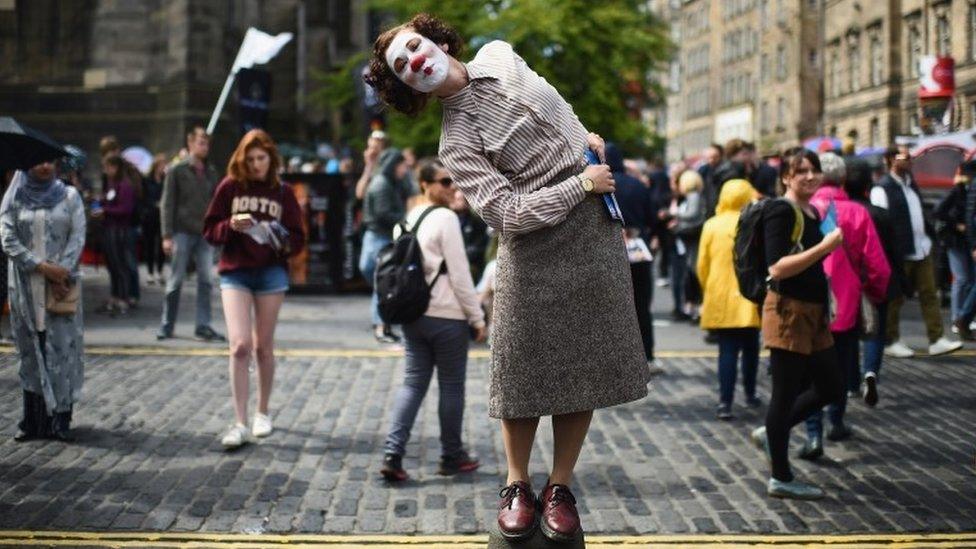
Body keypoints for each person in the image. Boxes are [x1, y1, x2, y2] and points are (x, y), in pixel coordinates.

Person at [367, 14, 650, 542]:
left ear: (436, 40)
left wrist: (584, 137)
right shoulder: (454, 143)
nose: (415, 62)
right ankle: (517, 484)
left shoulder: (500, 53)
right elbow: (506, 214)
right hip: (534, 243)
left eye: (414, 48)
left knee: (582, 361)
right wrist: (580, 186)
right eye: (403, 68)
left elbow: (556, 102)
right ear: (410, 87)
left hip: (592, 232)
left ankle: (560, 487)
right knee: (520, 366)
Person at [380, 159, 487, 481]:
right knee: (452, 387)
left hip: (413, 314)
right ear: (425, 184)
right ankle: (451, 456)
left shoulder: (406, 220)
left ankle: (393, 453)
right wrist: (477, 317)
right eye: (444, 181)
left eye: (454, 181)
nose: (452, 187)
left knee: (412, 384)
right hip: (447, 316)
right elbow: (460, 274)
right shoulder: (446, 219)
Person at [749, 147, 845, 500]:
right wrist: (827, 247)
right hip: (788, 312)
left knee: (833, 386)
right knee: (784, 395)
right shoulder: (781, 209)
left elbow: (812, 267)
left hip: (814, 312)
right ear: (786, 176)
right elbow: (777, 267)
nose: (809, 175)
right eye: (800, 170)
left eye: (814, 169)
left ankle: (772, 431)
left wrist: (828, 295)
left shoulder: (812, 209)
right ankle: (781, 476)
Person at [202, 129, 305, 449]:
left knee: (263, 346)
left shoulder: (282, 192)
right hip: (236, 271)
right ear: (242, 160)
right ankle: (239, 422)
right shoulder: (230, 187)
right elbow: (209, 230)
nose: (257, 164)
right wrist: (230, 226)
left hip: (271, 272)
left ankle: (262, 412)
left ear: (271, 159)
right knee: (239, 345)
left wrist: (279, 237)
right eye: (251, 159)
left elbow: (298, 237)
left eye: (261, 158)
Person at [800, 153, 890, 460]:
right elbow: (878, 266)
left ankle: (812, 433)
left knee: (810, 371)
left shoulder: (804, 210)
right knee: (839, 367)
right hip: (847, 304)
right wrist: (875, 294)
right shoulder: (856, 213)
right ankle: (835, 421)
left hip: (808, 302)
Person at [1, 162, 86, 442]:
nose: (46, 166)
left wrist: (62, 272)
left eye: (51, 161)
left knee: (61, 349)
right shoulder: (14, 197)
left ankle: (61, 418)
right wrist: (40, 266)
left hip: (62, 286)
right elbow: (7, 238)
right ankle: (32, 420)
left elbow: (77, 235)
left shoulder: (69, 196)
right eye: (40, 161)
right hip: (26, 286)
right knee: (29, 350)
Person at [871, 145, 961, 357]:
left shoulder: (911, 185)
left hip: (921, 248)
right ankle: (891, 340)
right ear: (891, 160)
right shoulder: (882, 188)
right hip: (899, 253)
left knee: (929, 294)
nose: (910, 161)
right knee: (895, 298)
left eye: (910, 157)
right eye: (905, 157)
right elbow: (882, 222)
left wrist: (929, 238)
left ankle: (936, 338)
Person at [697, 179, 761, 420]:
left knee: (727, 351)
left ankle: (725, 401)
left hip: (722, 295)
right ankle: (751, 393)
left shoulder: (712, 225)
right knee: (751, 348)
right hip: (750, 297)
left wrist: (708, 288)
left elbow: (702, 264)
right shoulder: (754, 222)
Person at [843, 159, 902, 407]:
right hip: (876, 279)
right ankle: (871, 372)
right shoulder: (882, 215)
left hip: (847, 281)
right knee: (875, 331)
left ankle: (851, 382)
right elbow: (892, 252)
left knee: (848, 334)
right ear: (868, 186)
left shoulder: (840, 212)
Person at [158, 126, 225, 342]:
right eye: (200, 142)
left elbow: (217, 203)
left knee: (206, 280)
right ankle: (167, 324)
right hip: (181, 232)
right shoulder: (177, 170)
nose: (204, 147)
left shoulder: (211, 172)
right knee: (175, 280)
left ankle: (203, 325)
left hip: (205, 233)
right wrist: (166, 235)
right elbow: (167, 204)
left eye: (206, 143)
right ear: (190, 144)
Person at [609, 143, 662, 375]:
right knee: (642, 305)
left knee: (610, 307)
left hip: (609, 252)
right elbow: (653, 219)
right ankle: (647, 356)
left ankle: (614, 359)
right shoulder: (638, 185)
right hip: (638, 249)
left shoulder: (602, 185)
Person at [360, 147, 413, 344]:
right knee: (382, 283)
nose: (404, 169)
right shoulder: (383, 184)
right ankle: (381, 327)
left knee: (381, 283)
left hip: (379, 238)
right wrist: (406, 221)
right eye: (401, 165)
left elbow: (410, 189)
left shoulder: (389, 183)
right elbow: (384, 214)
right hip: (379, 239)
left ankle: (383, 326)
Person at [934, 164, 974, 339]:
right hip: (955, 240)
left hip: (964, 240)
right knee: (962, 279)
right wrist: (956, 225)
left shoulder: (966, 190)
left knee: (967, 280)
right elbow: (938, 211)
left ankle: (962, 317)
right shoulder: (957, 191)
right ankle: (958, 317)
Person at [96, 154, 136, 316]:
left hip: (119, 230)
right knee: (112, 265)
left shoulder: (125, 185)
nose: (106, 171)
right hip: (110, 228)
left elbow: (126, 209)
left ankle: (124, 297)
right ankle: (115, 295)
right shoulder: (112, 184)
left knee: (120, 265)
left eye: (108, 167)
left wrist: (105, 210)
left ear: (116, 167)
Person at [670, 170, 706, 321]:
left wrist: (675, 213)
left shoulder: (693, 196)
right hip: (688, 239)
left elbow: (691, 214)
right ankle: (694, 308)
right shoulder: (693, 196)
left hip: (691, 239)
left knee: (692, 273)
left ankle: (696, 309)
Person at [142, 154, 167, 286]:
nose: (163, 167)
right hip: (150, 215)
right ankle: (150, 272)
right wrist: (153, 204)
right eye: (161, 164)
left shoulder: (166, 179)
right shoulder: (147, 180)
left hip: (162, 216)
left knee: (162, 245)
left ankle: (160, 271)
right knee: (150, 245)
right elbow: (144, 197)